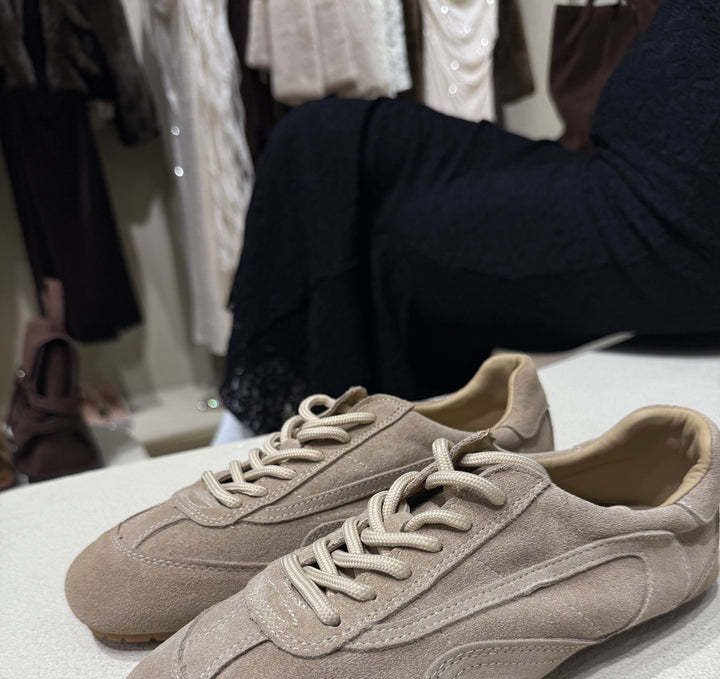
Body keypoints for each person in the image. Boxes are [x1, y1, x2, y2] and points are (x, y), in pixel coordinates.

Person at [220, 0, 720, 435]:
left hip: (664, 226)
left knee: (376, 230)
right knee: (322, 138)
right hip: (631, 179)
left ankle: (320, 440)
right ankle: (267, 429)